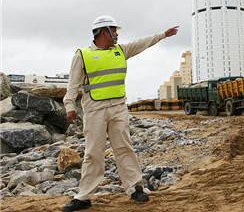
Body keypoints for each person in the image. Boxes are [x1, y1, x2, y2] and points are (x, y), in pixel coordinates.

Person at [62, 15, 179, 212]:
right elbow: (73, 85)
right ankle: (83, 197)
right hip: (94, 110)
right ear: (102, 32)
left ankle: (135, 188)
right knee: (93, 153)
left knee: (125, 148)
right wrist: (69, 106)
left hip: (118, 107)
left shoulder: (121, 51)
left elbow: (141, 43)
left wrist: (162, 35)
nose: (116, 34)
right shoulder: (82, 55)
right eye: (113, 30)